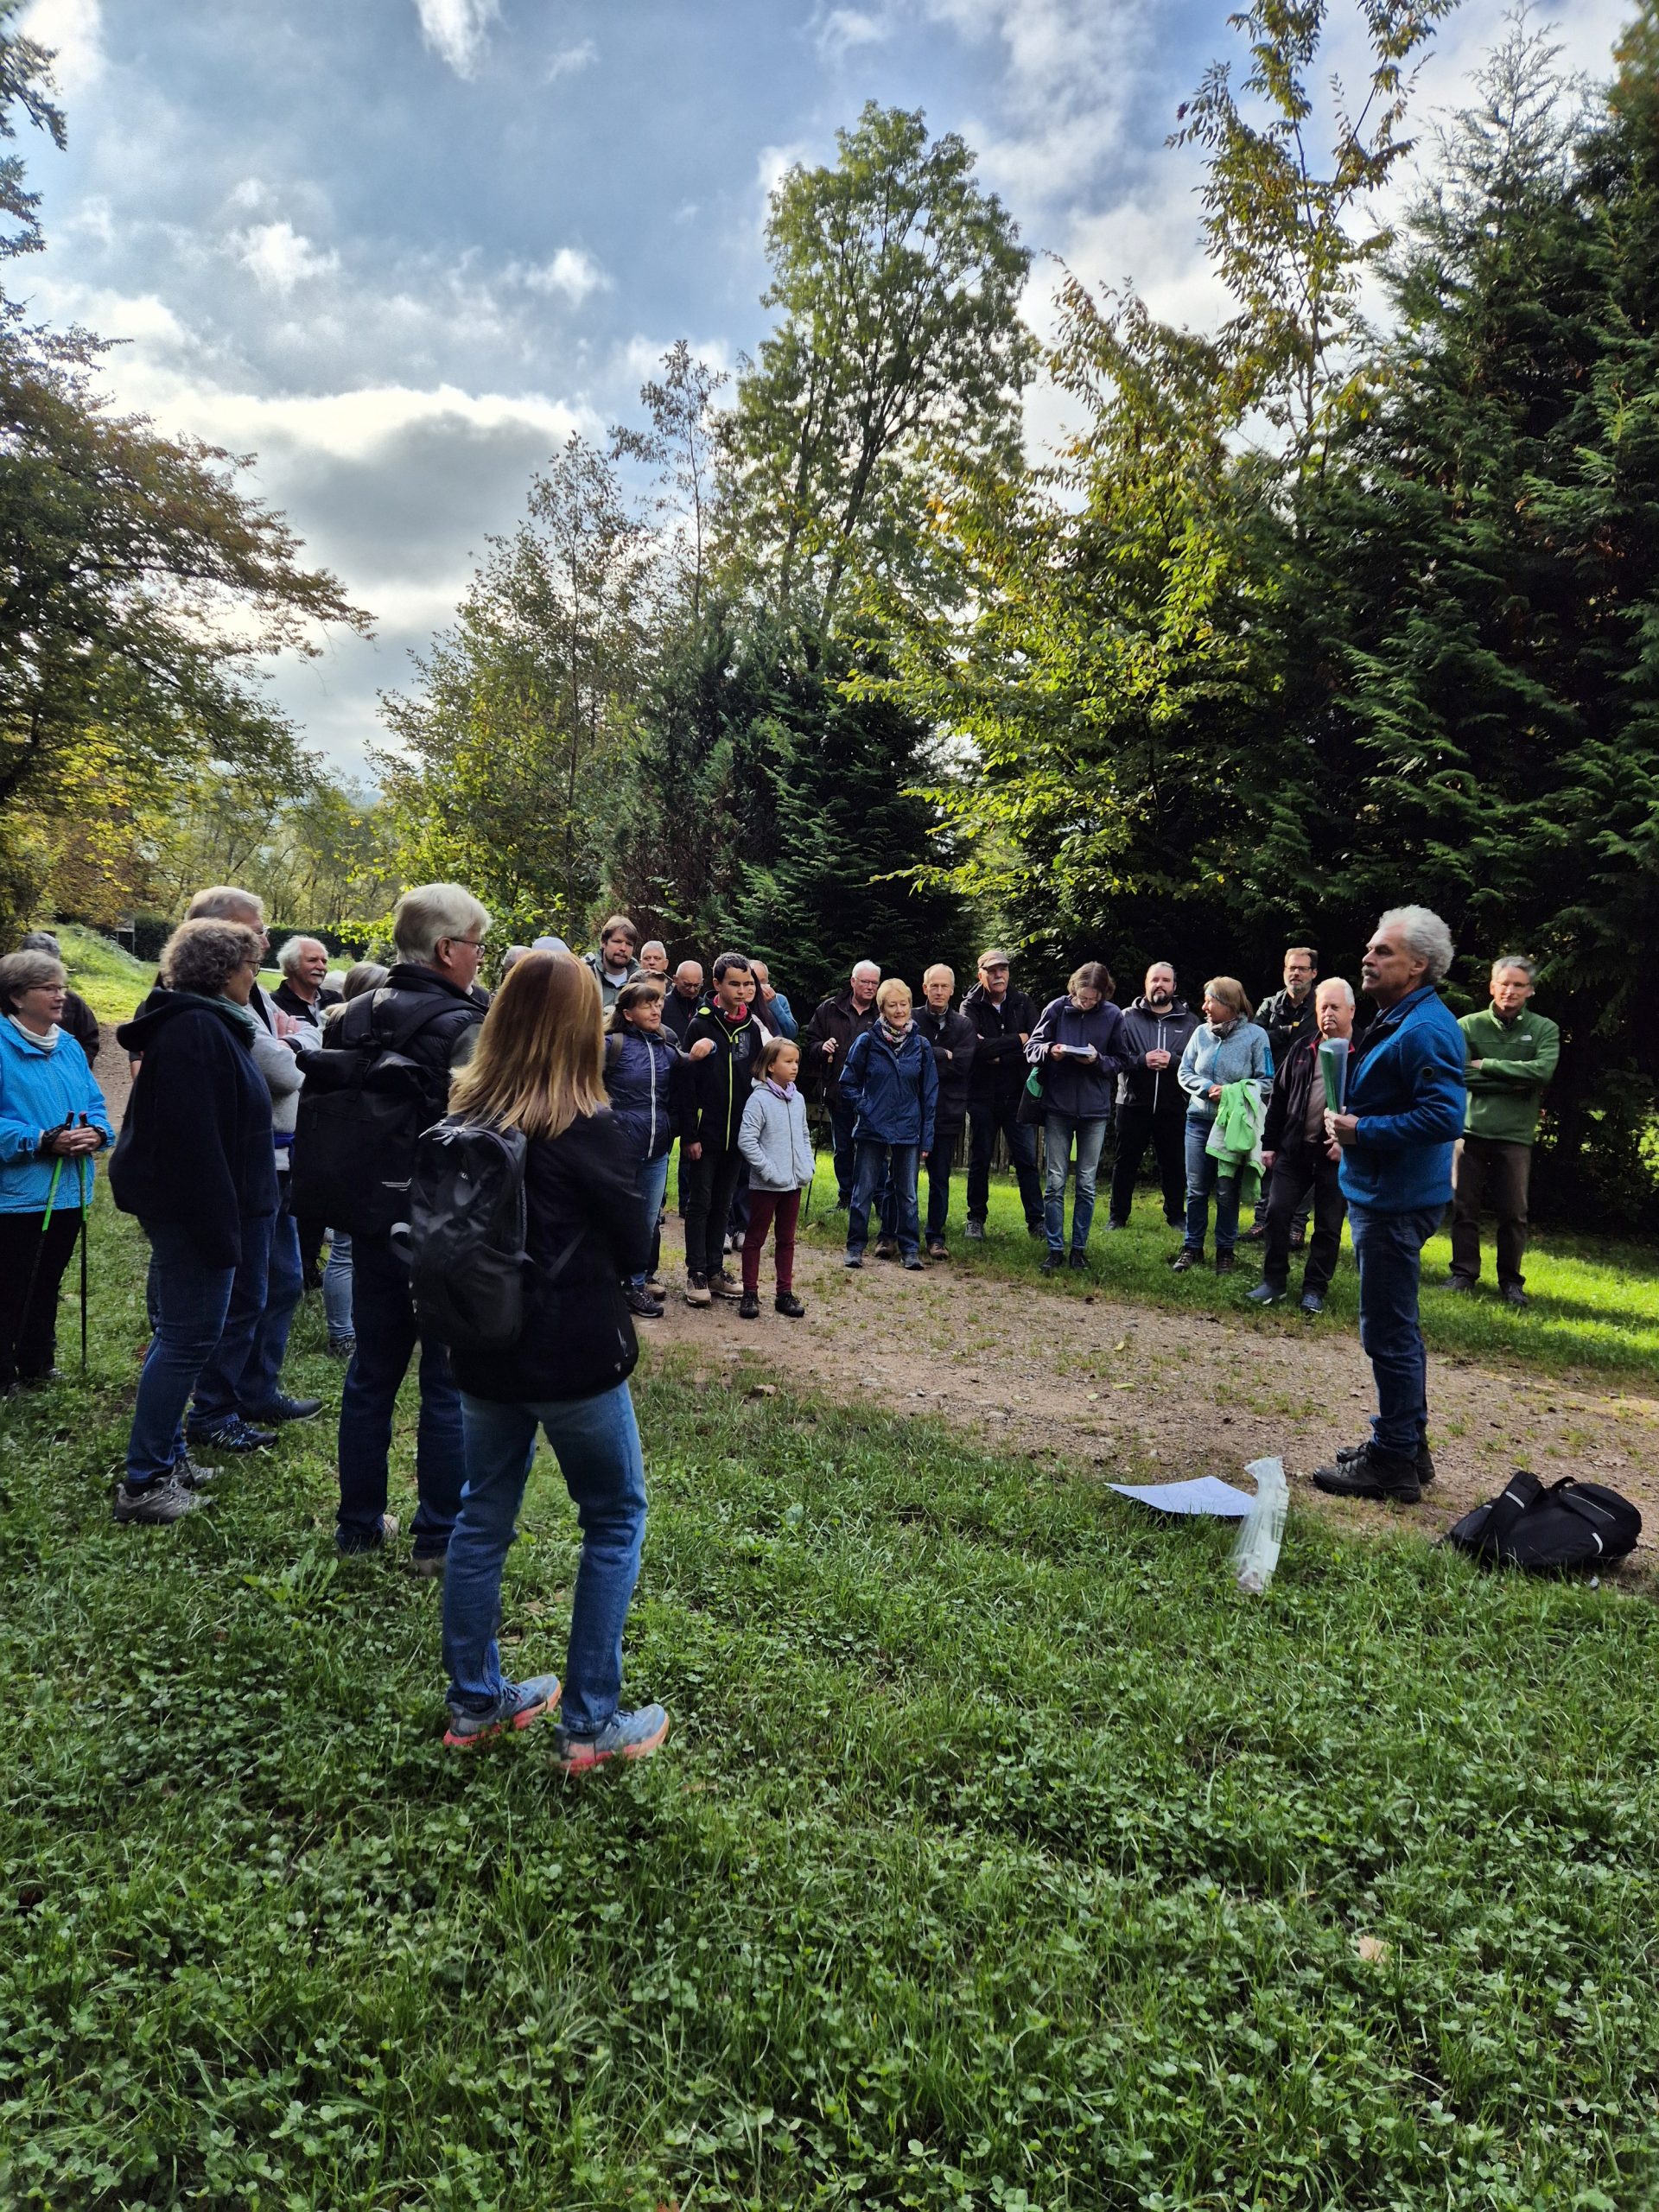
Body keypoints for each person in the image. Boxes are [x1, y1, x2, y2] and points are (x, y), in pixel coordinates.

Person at [438, 950, 668, 1770]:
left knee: (481, 1514)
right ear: (580, 1028)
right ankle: (591, 1722)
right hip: (573, 1356)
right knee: (613, 1517)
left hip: (483, 1348)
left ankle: (474, 1703)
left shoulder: (463, 1113)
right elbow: (634, 1242)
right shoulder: (589, 1127)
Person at [329, 884, 490, 1568]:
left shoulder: (349, 1016)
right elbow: (487, 1130)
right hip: (445, 1223)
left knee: (371, 1372)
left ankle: (358, 1525)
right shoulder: (465, 1026)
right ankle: (438, 1538)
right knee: (446, 1381)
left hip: (369, 1215)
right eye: (478, 946)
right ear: (447, 949)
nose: (481, 960)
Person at [109, 919, 277, 1523]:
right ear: (222, 969)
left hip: (212, 1208)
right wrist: (220, 1230)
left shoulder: (206, 1024)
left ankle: (168, 1456)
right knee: (186, 1340)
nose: (254, 976)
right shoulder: (197, 1029)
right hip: (196, 1214)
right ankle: (145, 1481)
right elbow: (193, 1144)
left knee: (182, 1337)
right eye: (250, 965)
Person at [1313, 906, 1466, 1504]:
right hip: (1385, 1191)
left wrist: (1359, 1131)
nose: (1368, 959)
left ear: (1419, 965)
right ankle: (1409, 1446)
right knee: (1393, 1326)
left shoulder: (1426, 1028)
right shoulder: (1399, 1016)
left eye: (1384, 953)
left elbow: (1442, 1117)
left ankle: (1394, 1462)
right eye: (1370, 949)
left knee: (1388, 1331)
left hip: (1395, 1200)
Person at [168, 886, 313, 1443]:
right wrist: (291, 1044)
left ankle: (257, 1390)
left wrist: (292, 1042)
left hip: (277, 1158)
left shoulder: (248, 991)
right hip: (240, 1169)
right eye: (254, 929)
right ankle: (215, 1409)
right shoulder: (199, 998)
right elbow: (283, 1066)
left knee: (283, 1281)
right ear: (213, 932)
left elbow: (299, 1041)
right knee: (243, 1292)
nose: (264, 940)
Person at [0, 950, 111, 1395]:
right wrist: (41, 1139)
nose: (60, 995)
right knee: (10, 1284)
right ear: (16, 996)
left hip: (69, 1190)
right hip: (16, 1193)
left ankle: (37, 1363)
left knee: (47, 1280)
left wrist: (96, 1134)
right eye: (48, 988)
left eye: (61, 986)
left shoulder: (66, 1045)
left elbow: (96, 1105)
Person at [1448, 956, 1560, 1309]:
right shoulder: (1466, 1025)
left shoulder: (1545, 1029)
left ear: (1530, 991)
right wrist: (1514, 1081)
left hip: (1515, 1136)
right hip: (1470, 1131)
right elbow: (1459, 1074)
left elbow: (1542, 1072)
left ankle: (1511, 1282)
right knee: (1464, 1207)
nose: (1509, 991)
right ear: (1492, 986)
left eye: (1518, 985)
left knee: (1514, 1213)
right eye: (1503, 983)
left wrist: (1490, 1065)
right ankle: (1463, 1274)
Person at [1249, 977, 1355, 1313]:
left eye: (1335, 1007)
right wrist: (1268, 1144)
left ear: (1351, 1010)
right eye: (1323, 1007)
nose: (1327, 1014)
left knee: (1328, 1224)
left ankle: (1314, 1289)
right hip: (1294, 1150)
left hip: (1337, 1156)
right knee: (1277, 1213)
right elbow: (1279, 1098)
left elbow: (1376, 1105)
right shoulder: (1302, 1048)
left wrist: (1349, 1145)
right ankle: (1274, 1281)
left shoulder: (1365, 1051)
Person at [1027, 961, 1132, 1274]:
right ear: (1073, 988)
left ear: (1103, 995)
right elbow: (1032, 1047)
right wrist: (1051, 1051)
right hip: (1058, 1106)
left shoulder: (1113, 1015)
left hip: (1094, 1110)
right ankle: (1055, 1248)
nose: (1086, 1003)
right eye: (1082, 997)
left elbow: (1121, 1061)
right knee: (1055, 1181)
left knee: (1086, 1183)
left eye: (1093, 999)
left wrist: (1097, 1060)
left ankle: (1079, 1250)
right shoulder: (1057, 1009)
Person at [314, 961, 390, 1361]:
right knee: (346, 1247)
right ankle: (343, 1333)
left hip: (340, 1137)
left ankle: (352, 1329)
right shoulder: (364, 1028)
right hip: (364, 1137)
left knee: (348, 1243)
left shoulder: (332, 1023)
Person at [681, 953, 766, 1305]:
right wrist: (690, 1134)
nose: (743, 990)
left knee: (724, 1202)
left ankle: (715, 1270)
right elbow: (685, 1084)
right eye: (735, 984)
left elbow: (759, 1081)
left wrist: (756, 1130)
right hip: (706, 1133)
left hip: (739, 1134)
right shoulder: (700, 1025)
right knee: (699, 1201)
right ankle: (696, 1272)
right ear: (717, 985)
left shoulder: (752, 1029)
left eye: (748, 984)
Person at [1172, 979, 1272, 1275]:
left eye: (1209, 1002)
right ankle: (1192, 1247)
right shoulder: (1201, 1033)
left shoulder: (1256, 1036)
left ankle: (1225, 1252)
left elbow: (1267, 1079)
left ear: (1229, 1005)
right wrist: (1206, 1088)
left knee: (1227, 1191)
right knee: (1196, 1189)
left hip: (1233, 1125)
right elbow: (1184, 1071)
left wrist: (1230, 1091)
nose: (1204, 1007)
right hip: (1199, 1120)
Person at [605, 977, 690, 1319]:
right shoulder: (611, 1045)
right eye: (646, 1005)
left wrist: (703, 1052)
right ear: (627, 1013)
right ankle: (605, 1284)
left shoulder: (666, 1046)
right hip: (618, 1150)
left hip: (657, 1151)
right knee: (613, 1218)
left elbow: (686, 1076)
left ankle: (635, 1285)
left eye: (657, 1004)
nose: (656, 1009)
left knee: (646, 1221)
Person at [841, 978, 937, 1271]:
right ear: (882, 1008)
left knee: (907, 1194)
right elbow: (848, 1083)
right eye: (892, 1005)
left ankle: (909, 1249)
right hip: (872, 1128)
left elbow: (929, 1095)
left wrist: (927, 1139)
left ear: (911, 1006)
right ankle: (855, 1247)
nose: (899, 1010)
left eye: (904, 1004)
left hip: (909, 1130)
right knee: (864, 1190)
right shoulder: (867, 1041)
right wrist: (865, 1107)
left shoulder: (921, 1046)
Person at [960, 949, 1043, 1240]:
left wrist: (999, 1052)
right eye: (993, 971)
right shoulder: (970, 1006)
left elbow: (1034, 1044)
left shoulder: (1022, 1002)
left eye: (1003, 970)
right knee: (980, 1157)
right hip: (981, 1095)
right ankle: (976, 1219)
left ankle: (1037, 1221)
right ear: (980, 974)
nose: (999, 975)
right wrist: (1015, 1041)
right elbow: (974, 1049)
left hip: (1017, 1095)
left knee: (1026, 1160)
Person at [1109, 963, 1198, 1230]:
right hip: (1133, 1102)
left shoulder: (1191, 1022)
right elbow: (1115, 1059)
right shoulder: (1125, 1017)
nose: (1160, 985)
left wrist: (1173, 1061)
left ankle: (1176, 1217)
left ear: (1174, 986)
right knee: (1125, 1163)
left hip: (1174, 1104)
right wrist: (1141, 1060)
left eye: (1166, 980)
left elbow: (1198, 1064)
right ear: (1145, 984)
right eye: (1154, 980)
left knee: (1173, 1164)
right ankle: (1117, 1217)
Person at [736, 1035, 813, 1319]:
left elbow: (804, 1135)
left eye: (797, 1062)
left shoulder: (799, 1099)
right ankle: (750, 1293)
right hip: (766, 1185)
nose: (794, 1067)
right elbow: (747, 1140)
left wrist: (806, 1166)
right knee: (755, 1238)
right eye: (788, 1062)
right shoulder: (759, 1099)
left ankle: (784, 1292)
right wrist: (768, 1170)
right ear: (770, 1066)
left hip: (793, 1184)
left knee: (787, 1239)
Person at [1247, 947, 1319, 1242]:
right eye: (1291, 968)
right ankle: (1262, 1219)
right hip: (1273, 1089)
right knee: (1268, 1154)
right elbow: (1257, 1038)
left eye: (1302, 968)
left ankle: (1297, 1224)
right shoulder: (1270, 1005)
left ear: (1313, 973)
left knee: (1307, 1158)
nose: (1296, 973)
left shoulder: (1321, 1005)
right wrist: (1289, 1032)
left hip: (1310, 1091)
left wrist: (1283, 1035)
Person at [804, 960, 881, 1207]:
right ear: (853, 982)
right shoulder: (830, 1009)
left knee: (873, 1149)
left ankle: (877, 1199)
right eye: (865, 982)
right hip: (838, 1090)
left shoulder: (882, 1011)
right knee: (844, 1147)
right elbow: (810, 1044)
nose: (870, 987)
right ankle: (846, 1196)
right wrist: (821, 1047)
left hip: (873, 1095)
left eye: (874, 983)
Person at [915, 963, 976, 1257]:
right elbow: (909, 1062)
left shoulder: (963, 1025)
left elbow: (963, 1066)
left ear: (952, 990)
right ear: (925, 988)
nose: (939, 991)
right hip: (909, 1111)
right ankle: (897, 1233)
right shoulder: (910, 1019)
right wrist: (940, 1053)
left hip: (947, 1111)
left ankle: (936, 1237)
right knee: (899, 1177)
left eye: (945, 987)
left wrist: (927, 1057)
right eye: (934, 986)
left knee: (940, 1178)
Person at [18, 932, 101, 1066]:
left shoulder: (73, 1002)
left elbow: (90, 1040)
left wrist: (75, 1069)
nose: (58, 997)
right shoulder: (8, 1000)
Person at [272, 936, 341, 1030]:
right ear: (290, 965)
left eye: (324, 962)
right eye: (312, 960)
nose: (322, 967)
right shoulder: (274, 1004)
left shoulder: (336, 999)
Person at [582, 915, 644, 1012]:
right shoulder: (585, 976)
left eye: (629, 944)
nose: (623, 948)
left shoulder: (641, 982)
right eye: (617, 941)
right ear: (603, 942)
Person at [748, 958, 798, 1040]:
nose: (759, 986)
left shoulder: (779, 999)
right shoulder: (743, 1000)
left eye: (763, 982)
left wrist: (773, 1003)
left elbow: (791, 1033)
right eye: (755, 982)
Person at [661, 959, 704, 1045]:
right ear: (675, 980)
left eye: (697, 986)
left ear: (702, 982)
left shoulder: (705, 1007)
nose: (692, 990)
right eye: (687, 985)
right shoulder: (662, 1005)